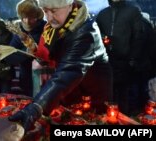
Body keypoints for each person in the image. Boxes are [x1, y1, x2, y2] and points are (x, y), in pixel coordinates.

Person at [9, 0, 113, 131]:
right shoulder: (54, 28)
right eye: (45, 11)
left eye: (53, 11)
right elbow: (50, 56)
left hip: (91, 94)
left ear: (70, 5)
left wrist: (36, 107)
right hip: (71, 90)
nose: (49, 17)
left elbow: (69, 70)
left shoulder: (85, 31)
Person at [96, 0, 153, 116]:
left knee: (125, 96)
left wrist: (132, 59)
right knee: (108, 95)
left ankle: (125, 121)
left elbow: (138, 37)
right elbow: (96, 35)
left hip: (125, 61)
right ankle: (108, 121)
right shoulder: (102, 14)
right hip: (107, 61)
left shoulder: (132, 11)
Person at [9, 0, 47, 97]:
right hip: (26, 76)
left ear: (37, 17)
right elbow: (11, 53)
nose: (26, 21)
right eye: (24, 18)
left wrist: (36, 50)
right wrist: (26, 52)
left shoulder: (46, 28)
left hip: (44, 75)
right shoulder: (19, 31)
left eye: (30, 18)